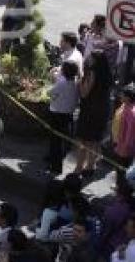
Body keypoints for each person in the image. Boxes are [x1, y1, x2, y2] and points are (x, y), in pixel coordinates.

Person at [74, 50, 114, 180]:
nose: (88, 59)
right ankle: (90, 166)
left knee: (83, 140)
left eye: (90, 57)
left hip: (90, 110)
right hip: (103, 110)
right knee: (95, 140)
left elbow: (84, 93)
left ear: (95, 61)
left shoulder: (91, 73)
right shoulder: (107, 75)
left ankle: (79, 167)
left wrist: (79, 79)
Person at [47, 60, 80, 175]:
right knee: (63, 140)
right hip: (68, 114)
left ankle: (55, 167)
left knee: (55, 142)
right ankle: (56, 164)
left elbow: (49, 93)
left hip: (57, 114)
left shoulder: (62, 83)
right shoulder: (76, 83)